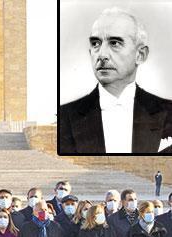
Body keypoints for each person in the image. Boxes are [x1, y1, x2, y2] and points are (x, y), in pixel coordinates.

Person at [59, 7, 172, 154]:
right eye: (95, 44)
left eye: (115, 43)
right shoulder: (64, 118)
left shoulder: (168, 113)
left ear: (140, 55)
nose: (102, 55)